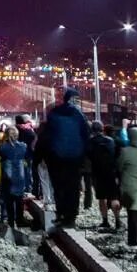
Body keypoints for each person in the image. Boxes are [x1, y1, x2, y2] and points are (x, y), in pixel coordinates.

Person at [38, 88, 90, 229]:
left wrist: (42, 156)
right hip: (75, 158)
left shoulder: (54, 113)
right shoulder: (80, 116)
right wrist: (85, 158)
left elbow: (45, 136)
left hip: (56, 158)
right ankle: (71, 218)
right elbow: (86, 136)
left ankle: (61, 214)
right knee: (73, 188)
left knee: (59, 186)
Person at [88, 121, 121, 231]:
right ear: (102, 129)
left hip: (98, 173)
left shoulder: (90, 142)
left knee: (101, 198)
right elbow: (115, 155)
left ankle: (105, 220)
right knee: (114, 197)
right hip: (111, 172)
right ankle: (117, 220)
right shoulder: (110, 141)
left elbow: (89, 156)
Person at [0, 126, 30, 230]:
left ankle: (11, 222)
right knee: (19, 198)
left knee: (9, 200)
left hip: (8, 175)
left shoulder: (3, 148)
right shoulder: (23, 146)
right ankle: (20, 220)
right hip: (20, 175)